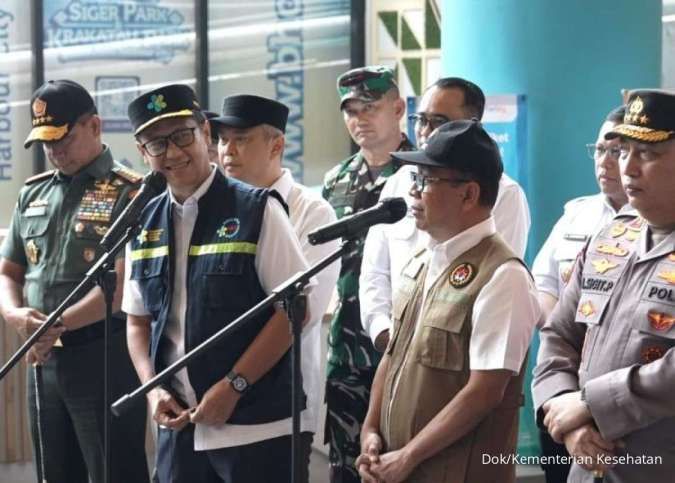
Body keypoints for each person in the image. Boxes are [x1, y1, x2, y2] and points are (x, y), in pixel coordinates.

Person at [122, 84, 313, 483]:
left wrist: (235, 385)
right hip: (180, 430)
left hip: (255, 426)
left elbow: (294, 310)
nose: (173, 153)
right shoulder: (142, 224)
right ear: (143, 154)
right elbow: (138, 321)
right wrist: (153, 390)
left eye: (182, 136)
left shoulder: (257, 208)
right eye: (157, 144)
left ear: (205, 133)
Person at [356, 120, 539, 483]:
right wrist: (370, 431)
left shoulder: (503, 276)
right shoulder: (422, 261)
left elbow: (484, 392)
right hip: (397, 466)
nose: (414, 193)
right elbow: (392, 355)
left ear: (469, 195)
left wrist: (408, 456)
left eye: (427, 181)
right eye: (414, 180)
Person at [0, 80, 149, 483]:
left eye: (62, 138)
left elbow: (121, 287)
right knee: (54, 471)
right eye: (45, 142)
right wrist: (15, 315)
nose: (54, 151)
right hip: (44, 359)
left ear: (95, 126)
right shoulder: (33, 194)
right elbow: (8, 271)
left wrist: (55, 326)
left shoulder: (131, 193)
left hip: (103, 356)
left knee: (113, 470)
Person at [532, 90, 675, 482]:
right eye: (623, 150)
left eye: (646, 153)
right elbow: (558, 334)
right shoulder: (611, 238)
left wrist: (591, 403)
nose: (627, 167)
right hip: (588, 468)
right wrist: (566, 411)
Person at [211, 93, 341, 482]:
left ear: (277, 145)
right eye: (221, 140)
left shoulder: (312, 211)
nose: (227, 151)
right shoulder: (212, 208)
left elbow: (300, 314)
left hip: (278, 402)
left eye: (242, 139)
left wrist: (235, 380)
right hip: (208, 398)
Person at [360, 77, 531, 352]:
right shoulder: (400, 181)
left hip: (456, 354)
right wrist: (384, 331)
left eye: (439, 121)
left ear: (472, 126)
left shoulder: (505, 194)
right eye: (421, 120)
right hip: (392, 346)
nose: (426, 131)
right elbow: (374, 271)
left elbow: (494, 285)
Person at [321, 65, 413, 483]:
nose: (360, 119)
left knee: (400, 465)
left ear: (398, 108)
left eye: (370, 107)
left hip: (402, 345)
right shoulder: (336, 180)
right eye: (351, 110)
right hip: (347, 349)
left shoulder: (423, 177)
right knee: (345, 466)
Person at [530, 106, 626, 483]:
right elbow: (544, 288)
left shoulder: (655, 226)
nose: (606, 161)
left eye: (619, 151)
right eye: (600, 149)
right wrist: (562, 393)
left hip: (618, 397)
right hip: (561, 384)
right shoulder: (577, 214)